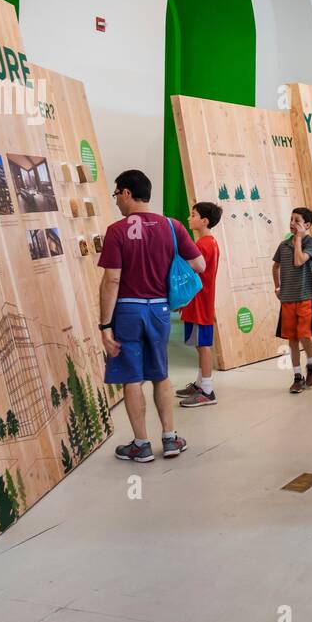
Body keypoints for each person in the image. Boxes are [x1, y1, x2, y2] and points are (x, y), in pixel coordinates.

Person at [97, 170, 205, 461]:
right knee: (160, 374)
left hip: (127, 310)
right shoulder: (172, 226)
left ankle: (141, 444)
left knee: (132, 377)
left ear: (127, 193)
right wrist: (168, 277)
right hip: (159, 309)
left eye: (117, 194)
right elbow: (200, 265)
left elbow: (112, 280)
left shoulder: (116, 231)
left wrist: (105, 325)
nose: (116, 201)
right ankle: (170, 439)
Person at [176, 201, 222, 408]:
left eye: (193, 215)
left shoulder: (203, 245)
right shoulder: (209, 243)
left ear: (204, 221)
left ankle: (207, 391)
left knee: (203, 346)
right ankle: (199, 384)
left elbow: (190, 273)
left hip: (200, 303)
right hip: (198, 302)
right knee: (199, 344)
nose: (189, 218)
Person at [272, 206, 312, 394]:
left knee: (304, 335)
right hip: (287, 298)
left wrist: (298, 238)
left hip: (306, 296)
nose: (292, 223)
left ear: (307, 225)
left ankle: (311, 362)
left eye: (297, 220)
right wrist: (277, 287)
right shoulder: (283, 245)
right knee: (292, 338)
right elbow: (275, 267)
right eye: (291, 219)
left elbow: (298, 261)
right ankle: (297, 377)